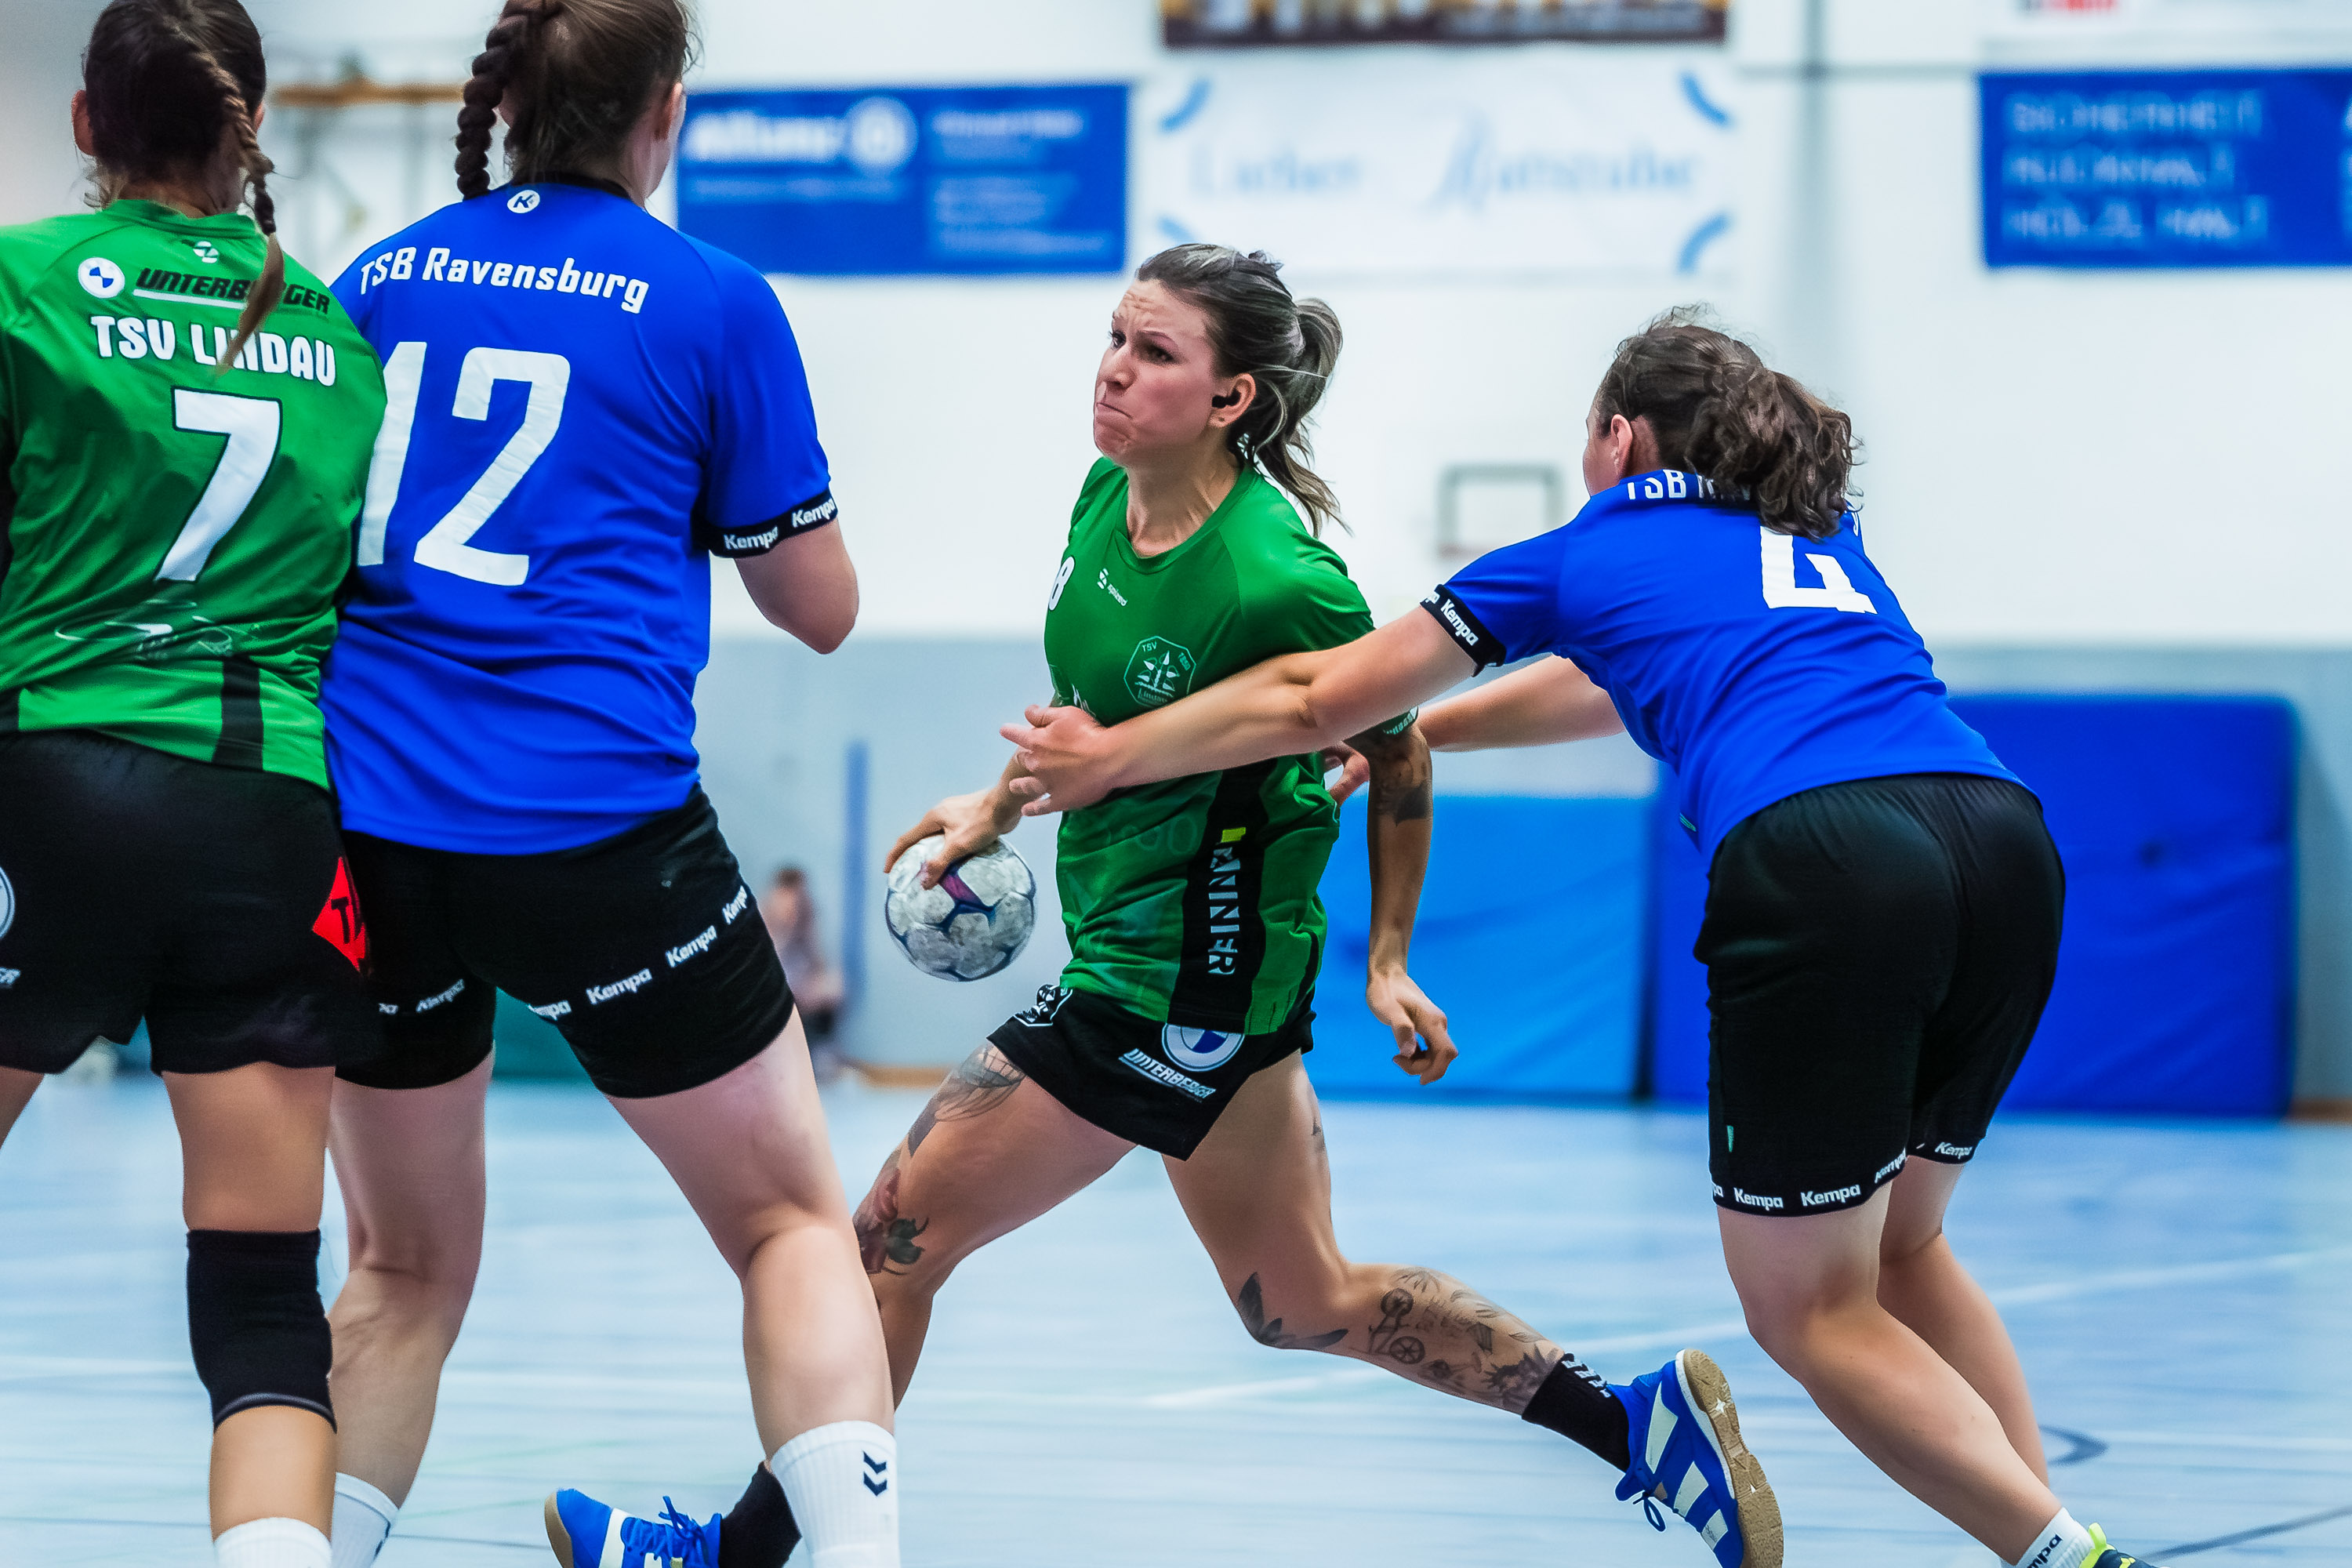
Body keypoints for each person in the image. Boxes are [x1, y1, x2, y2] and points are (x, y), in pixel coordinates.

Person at [568, 247, 1783, 1568]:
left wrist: (1386, 957)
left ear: (1230, 397)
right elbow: (1097, 721)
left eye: (1154, 353)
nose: (1113, 370)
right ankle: (1636, 1426)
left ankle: (732, 1558)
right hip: (1187, 977)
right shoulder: (1106, 496)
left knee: (885, 1244)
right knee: (1300, 1299)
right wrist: (999, 803)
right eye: (1114, 337)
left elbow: (1401, 751)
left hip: (1176, 980)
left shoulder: (1279, 578)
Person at [1004, 307, 2170, 1568]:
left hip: (1827, 858)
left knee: (1809, 1310)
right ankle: (2052, 1539)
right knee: (1907, 1249)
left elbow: (1318, 694)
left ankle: (2068, 1559)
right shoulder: (1808, 531)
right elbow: (1617, 679)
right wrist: (1431, 735)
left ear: (1619, 437)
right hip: (1999, 838)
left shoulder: (1584, 549)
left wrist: (1112, 755)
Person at [311, 4, 898, 1566]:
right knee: (788, 1227)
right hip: (596, 827)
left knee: (398, 1273)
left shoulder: (380, 277)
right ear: (667, 113)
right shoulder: (711, 298)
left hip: (370, 828)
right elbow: (820, 609)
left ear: (506, 106)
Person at [0, 4, 388, 1566]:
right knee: (262, 1299)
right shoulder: (337, 336)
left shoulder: (28, 280)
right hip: (270, 818)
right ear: (251, 132)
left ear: (86, 124)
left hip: (55, 784)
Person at [761, 867, 844, 1044]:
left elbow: (816, 955)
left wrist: (819, 975)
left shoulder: (806, 910)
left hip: (799, 973)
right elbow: (768, 961)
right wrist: (786, 927)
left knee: (833, 987)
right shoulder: (765, 911)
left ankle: (821, 1046)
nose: (798, 899)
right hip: (775, 975)